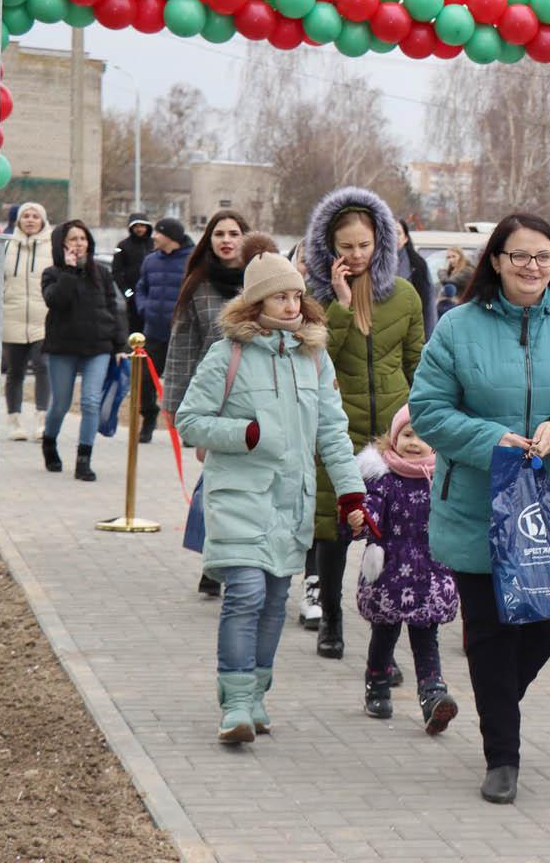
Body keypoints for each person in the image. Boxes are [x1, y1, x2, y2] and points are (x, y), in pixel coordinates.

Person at [409, 212, 550, 805]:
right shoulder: (458, 327)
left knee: (547, 624)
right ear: (497, 261)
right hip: (478, 500)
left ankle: (494, 698)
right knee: (488, 633)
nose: (533, 267)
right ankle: (501, 754)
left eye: (543, 257)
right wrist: (489, 440)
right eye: (521, 256)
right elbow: (428, 409)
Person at [174, 242, 368, 743]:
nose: (291, 305)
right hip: (238, 495)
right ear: (256, 302)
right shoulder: (228, 355)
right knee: (246, 593)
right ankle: (235, 703)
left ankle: (257, 694)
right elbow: (190, 422)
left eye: (296, 295)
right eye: (279, 296)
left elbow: (332, 430)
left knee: (276, 599)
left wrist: (351, 495)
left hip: (292, 501)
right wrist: (245, 435)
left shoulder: (314, 358)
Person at [305, 187, 425, 660]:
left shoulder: (405, 296)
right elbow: (315, 364)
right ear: (329, 249)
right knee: (334, 534)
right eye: (345, 247)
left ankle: (384, 641)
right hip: (337, 434)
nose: (355, 255)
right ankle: (330, 622)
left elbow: (417, 365)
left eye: (364, 245)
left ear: (381, 243)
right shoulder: (314, 299)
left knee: (391, 536)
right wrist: (337, 303)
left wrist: (419, 426)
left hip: (390, 437)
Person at [349, 405, 460, 734]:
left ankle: (433, 695)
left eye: (422, 435)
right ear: (393, 439)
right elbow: (371, 510)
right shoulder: (383, 478)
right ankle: (377, 684)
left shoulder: (440, 477)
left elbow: (455, 517)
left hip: (429, 571)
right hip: (390, 571)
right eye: (407, 434)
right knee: (385, 633)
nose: (414, 442)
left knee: (427, 636)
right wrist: (361, 520)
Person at [162, 213, 252, 597]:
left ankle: (241, 561)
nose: (227, 240)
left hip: (256, 397)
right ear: (208, 240)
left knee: (248, 484)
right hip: (211, 399)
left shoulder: (262, 281)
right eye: (219, 234)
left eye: (234, 233)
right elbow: (182, 347)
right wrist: (175, 402)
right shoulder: (198, 285)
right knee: (214, 481)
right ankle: (213, 562)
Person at [40, 221, 126, 482]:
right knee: (60, 405)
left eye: (83, 238)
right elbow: (56, 301)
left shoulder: (101, 272)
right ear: (61, 244)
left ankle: (83, 459)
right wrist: (68, 271)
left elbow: (114, 308)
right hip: (62, 347)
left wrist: (119, 344)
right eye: (72, 239)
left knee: (91, 402)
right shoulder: (52, 273)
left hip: (98, 347)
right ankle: (49, 442)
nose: (79, 243)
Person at [134, 218, 194, 442]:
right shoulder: (150, 261)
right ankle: (149, 418)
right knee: (145, 380)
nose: (154, 237)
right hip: (153, 332)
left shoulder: (192, 259)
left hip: (182, 334)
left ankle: (187, 427)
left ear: (170, 236)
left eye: (158, 233)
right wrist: (143, 307)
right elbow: (141, 288)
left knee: (185, 382)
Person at [1, 201, 52, 442]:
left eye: (35, 216)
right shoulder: (6, 245)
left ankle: (42, 419)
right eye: (26, 216)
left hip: (44, 319)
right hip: (12, 318)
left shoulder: (53, 247)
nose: (30, 220)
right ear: (18, 220)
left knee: (43, 367)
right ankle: (14, 420)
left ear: (43, 221)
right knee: (15, 372)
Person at [111, 214, 154, 335]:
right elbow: (116, 272)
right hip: (134, 299)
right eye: (135, 226)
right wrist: (128, 293)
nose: (139, 229)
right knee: (136, 333)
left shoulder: (154, 244)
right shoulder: (122, 246)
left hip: (153, 297)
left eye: (142, 226)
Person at [396, 220, 437, 340]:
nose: (394, 237)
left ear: (405, 238)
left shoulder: (418, 265)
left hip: (412, 335)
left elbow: (429, 305)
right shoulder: (372, 265)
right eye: (389, 232)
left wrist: (428, 339)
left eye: (398, 233)